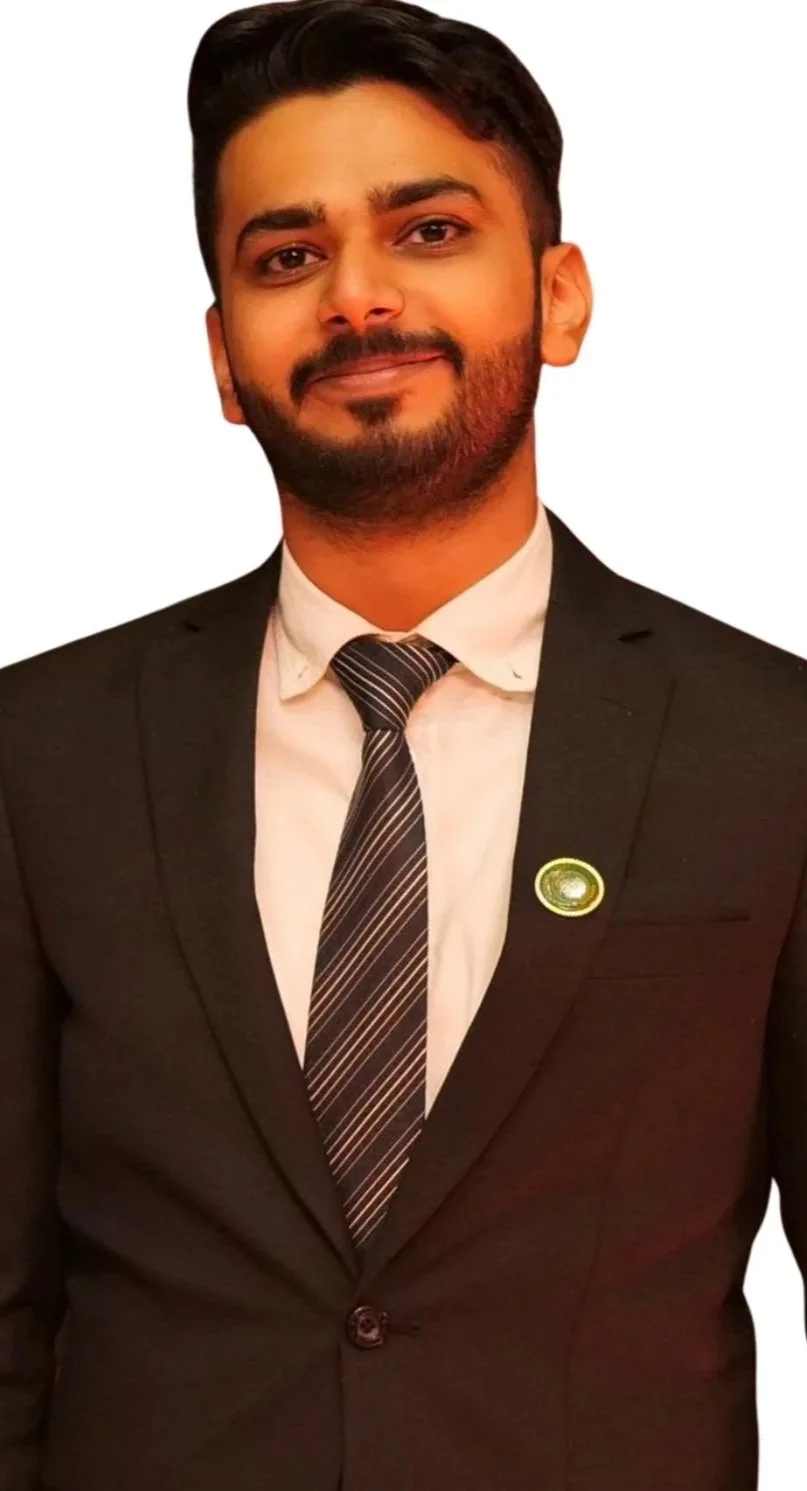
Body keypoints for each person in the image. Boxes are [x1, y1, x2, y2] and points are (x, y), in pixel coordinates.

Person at [1, 1, 805, 1487]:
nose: (357, 298)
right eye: (285, 258)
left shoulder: (774, 752)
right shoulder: (38, 754)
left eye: (429, 231)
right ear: (223, 357)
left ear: (558, 297)